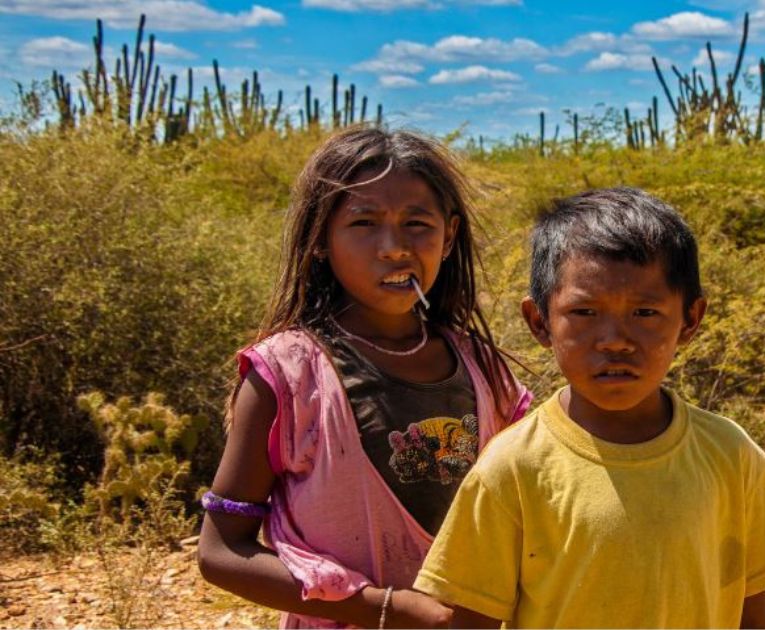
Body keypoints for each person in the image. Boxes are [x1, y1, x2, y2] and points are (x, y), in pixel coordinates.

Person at [414, 187, 765, 628]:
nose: (615, 340)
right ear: (539, 322)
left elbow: (752, 609)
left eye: (645, 313)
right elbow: (471, 621)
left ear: (691, 319)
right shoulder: (512, 468)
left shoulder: (730, 455)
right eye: (584, 312)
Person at [197, 127, 531, 629]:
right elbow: (221, 550)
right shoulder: (287, 378)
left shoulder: (485, 372)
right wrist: (386, 608)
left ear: (450, 236)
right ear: (321, 242)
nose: (393, 247)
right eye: (363, 223)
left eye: (417, 223)